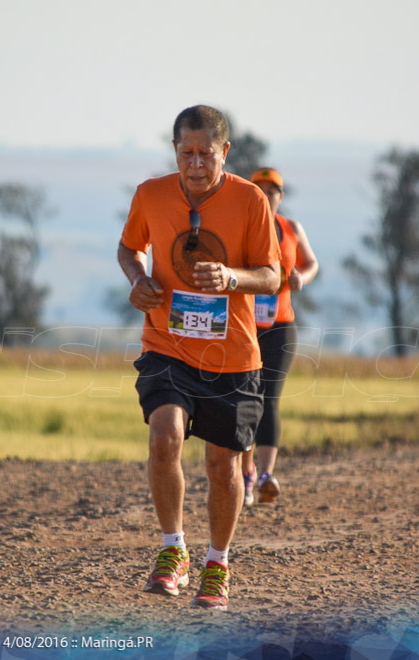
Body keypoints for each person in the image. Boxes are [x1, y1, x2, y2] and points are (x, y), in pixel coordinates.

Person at [117, 105, 280, 610]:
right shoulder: (150, 194)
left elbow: (271, 276)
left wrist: (232, 278)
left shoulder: (251, 201)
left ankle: (218, 562)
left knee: (222, 466)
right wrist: (138, 280)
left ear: (224, 153)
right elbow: (128, 249)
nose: (193, 163)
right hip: (167, 345)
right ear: (175, 152)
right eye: (185, 153)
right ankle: (173, 551)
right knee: (164, 439)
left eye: (204, 154)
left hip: (233, 355)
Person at [241, 168, 319, 505]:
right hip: (243, 325)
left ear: (281, 196)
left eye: (273, 191)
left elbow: (312, 262)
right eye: (259, 189)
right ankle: (244, 474)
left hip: (281, 324)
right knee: (244, 396)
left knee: (269, 398)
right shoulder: (240, 227)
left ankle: (265, 475)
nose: (267, 195)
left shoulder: (291, 228)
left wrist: (303, 276)